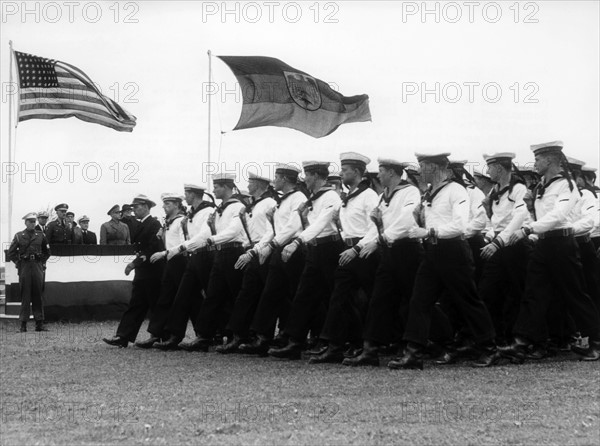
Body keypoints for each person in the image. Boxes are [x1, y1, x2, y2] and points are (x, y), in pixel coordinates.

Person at [388, 151, 498, 370]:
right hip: (434, 252)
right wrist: (420, 221)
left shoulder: (456, 190)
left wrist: (428, 231)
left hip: (453, 251)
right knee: (419, 300)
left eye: (423, 166)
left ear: (435, 167)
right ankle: (414, 353)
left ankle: (489, 348)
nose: (419, 171)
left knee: (468, 300)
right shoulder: (432, 191)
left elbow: (459, 225)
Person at [500, 141, 600, 362]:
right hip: (544, 244)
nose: (534, 163)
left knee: (574, 294)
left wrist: (529, 228)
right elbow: (539, 215)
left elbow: (558, 215)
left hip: (562, 243)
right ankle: (523, 340)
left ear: (549, 160)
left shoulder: (567, 184)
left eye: (537, 159)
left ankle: (596, 341)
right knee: (534, 291)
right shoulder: (543, 185)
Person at [308, 152, 381, 365]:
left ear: (357, 172)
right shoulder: (347, 198)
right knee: (338, 299)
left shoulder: (369, 196)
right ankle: (335, 347)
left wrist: (357, 248)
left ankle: (371, 349)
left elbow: (374, 227)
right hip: (348, 251)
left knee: (374, 301)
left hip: (365, 252)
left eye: (345, 170)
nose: (341, 174)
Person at [267, 160, 344, 360]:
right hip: (315, 249)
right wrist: (275, 244)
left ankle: (339, 343)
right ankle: (295, 342)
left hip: (329, 248)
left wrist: (297, 242)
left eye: (308, 175)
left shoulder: (331, 196)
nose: (305, 179)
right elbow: (295, 223)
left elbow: (320, 223)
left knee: (336, 298)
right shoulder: (312, 199)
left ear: (317, 176)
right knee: (303, 296)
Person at [237, 163, 308, 356]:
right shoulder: (281, 201)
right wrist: (262, 247)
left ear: (285, 179)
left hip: (292, 249)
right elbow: (272, 230)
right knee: (271, 293)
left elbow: (293, 226)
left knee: (295, 296)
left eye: (276, 177)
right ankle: (263, 338)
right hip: (278, 247)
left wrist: (272, 245)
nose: (274, 181)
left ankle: (294, 340)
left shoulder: (298, 198)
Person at [178, 173, 247, 351]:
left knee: (236, 296)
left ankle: (240, 336)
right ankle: (204, 336)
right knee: (213, 296)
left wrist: (212, 240)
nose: (214, 190)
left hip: (233, 250)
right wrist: (204, 240)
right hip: (220, 253)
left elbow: (234, 230)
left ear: (225, 187)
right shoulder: (219, 210)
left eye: (216, 187)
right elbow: (207, 230)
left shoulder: (238, 207)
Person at [216, 172, 279, 353]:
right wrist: (246, 247)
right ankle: (240, 335)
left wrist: (256, 250)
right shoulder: (250, 205)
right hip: (251, 250)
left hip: (263, 251)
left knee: (267, 296)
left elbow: (271, 231)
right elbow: (246, 232)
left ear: (258, 184)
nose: (248, 185)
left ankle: (264, 337)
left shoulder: (270, 203)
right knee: (246, 295)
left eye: (250, 182)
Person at [477, 152, 531, 347]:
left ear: (499, 168)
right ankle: (495, 336)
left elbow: (518, 218)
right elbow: (495, 221)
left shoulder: (518, 188)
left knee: (516, 293)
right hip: (498, 243)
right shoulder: (496, 190)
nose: (488, 171)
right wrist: (490, 235)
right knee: (487, 291)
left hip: (514, 245)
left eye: (490, 167)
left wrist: (498, 241)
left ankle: (515, 338)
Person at [153, 183, 216, 350]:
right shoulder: (190, 215)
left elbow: (204, 235)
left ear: (193, 195)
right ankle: (176, 336)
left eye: (186, 194)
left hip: (206, 255)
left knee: (214, 297)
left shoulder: (208, 211)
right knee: (183, 296)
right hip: (193, 257)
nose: (184, 197)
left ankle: (219, 334)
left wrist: (178, 249)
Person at [102, 195, 164, 347]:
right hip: (143, 271)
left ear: (146, 207)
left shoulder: (154, 224)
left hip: (153, 270)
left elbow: (153, 247)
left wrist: (134, 263)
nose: (134, 210)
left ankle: (158, 336)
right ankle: (123, 336)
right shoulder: (140, 224)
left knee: (155, 304)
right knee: (136, 304)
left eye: (136, 207)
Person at [135, 193, 187, 348]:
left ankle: (205, 336)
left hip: (181, 261)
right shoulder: (167, 223)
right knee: (164, 299)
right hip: (170, 262)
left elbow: (185, 244)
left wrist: (164, 253)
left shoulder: (182, 221)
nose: (164, 207)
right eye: (164, 204)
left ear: (177, 205)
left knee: (187, 300)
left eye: (168, 204)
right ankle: (157, 334)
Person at [7, 213, 51, 332]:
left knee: (38, 294)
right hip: (25, 267)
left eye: (34, 221)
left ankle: (39, 324)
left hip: (37, 266)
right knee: (25, 295)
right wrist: (18, 263)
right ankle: (23, 325)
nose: (32, 223)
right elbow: (10, 253)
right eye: (30, 221)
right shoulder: (19, 236)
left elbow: (47, 252)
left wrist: (41, 263)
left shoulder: (41, 235)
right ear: (25, 222)